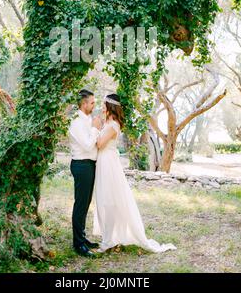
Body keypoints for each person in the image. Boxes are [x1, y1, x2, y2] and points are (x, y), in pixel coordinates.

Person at [92, 93, 177, 254]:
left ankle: (109, 240)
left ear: (110, 107)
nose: (101, 107)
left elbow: (100, 144)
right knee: (104, 199)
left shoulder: (112, 125)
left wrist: (95, 128)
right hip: (105, 162)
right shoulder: (108, 123)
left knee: (108, 200)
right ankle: (109, 237)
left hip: (109, 164)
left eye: (103, 104)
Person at [69, 89, 102, 257]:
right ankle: (78, 244)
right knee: (80, 204)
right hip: (81, 165)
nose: (94, 105)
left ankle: (82, 237)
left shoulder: (88, 120)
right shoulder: (76, 122)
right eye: (92, 103)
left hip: (90, 165)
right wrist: (96, 129)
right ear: (83, 104)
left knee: (86, 203)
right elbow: (88, 145)